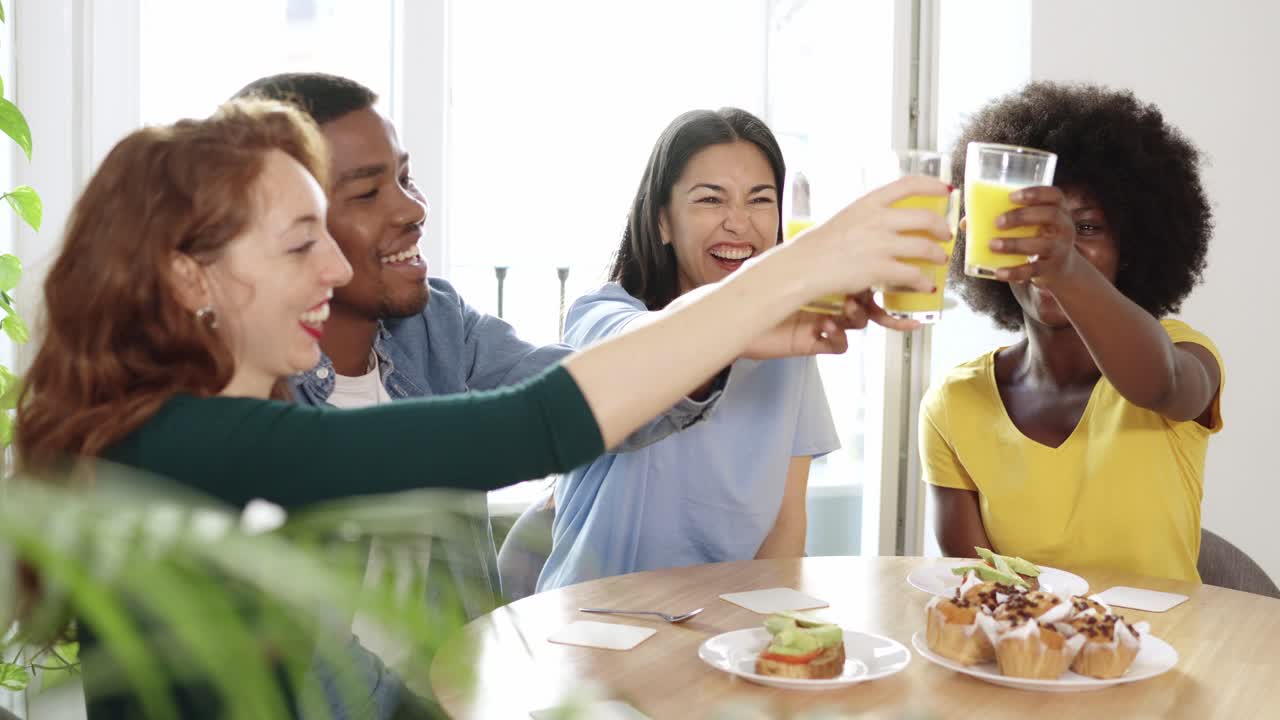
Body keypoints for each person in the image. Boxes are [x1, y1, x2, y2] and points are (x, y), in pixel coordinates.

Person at [16, 99, 947, 716]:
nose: (337, 269)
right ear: (191, 275)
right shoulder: (187, 444)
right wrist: (806, 263)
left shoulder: (168, 429)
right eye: (303, 244)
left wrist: (741, 333)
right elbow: (536, 423)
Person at [538, 108, 918, 590]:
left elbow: (786, 524)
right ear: (662, 223)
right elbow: (647, 349)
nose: (739, 224)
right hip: (596, 624)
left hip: (724, 630)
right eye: (710, 200)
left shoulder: (789, 346)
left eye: (760, 200)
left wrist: (757, 634)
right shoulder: (600, 315)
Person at [921, 81, 1222, 583]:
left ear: (1133, 246)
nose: (1053, 244)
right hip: (1027, 655)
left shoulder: (1180, 351)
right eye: (1032, 227)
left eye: (1086, 228)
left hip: (1169, 651)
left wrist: (1060, 264)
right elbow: (980, 587)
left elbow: (1161, 386)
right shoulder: (955, 401)